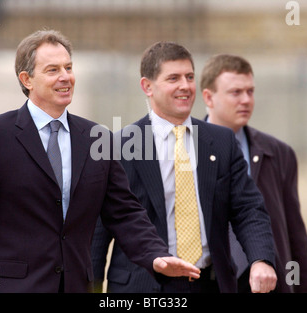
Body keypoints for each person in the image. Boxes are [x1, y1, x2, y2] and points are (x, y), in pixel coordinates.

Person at [0, 29, 201, 293]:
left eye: (68, 68)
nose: (65, 77)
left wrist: (155, 255)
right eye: (53, 70)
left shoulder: (96, 138)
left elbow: (125, 212)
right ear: (26, 79)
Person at [91, 41, 277, 293]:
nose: (186, 86)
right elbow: (99, 230)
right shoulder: (121, 146)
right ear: (147, 86)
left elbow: (249, 209)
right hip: (143, 287)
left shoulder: (221, 141)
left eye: (189, 77)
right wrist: (90, 286)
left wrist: (261, 260)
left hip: (211, 284)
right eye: (173, 78)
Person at [200, 53, 307, 292]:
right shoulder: (185, 149)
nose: (246, 100)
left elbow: (295, 235)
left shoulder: (278, 154)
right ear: (208, 97)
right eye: (236, 92)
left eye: (250, 91)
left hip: (267, 283)